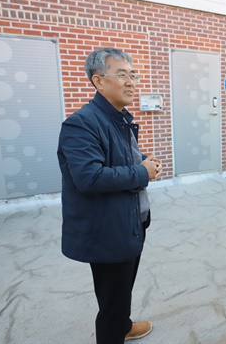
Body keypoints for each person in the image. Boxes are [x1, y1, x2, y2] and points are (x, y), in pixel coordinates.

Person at [57, 47, 162, 343]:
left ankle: (123, 325)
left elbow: (116, 159)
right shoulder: (81, 124)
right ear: (98, 81)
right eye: (122, 75)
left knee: (122, 288)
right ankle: (113, 331)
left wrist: (144, 162)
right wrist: (142, 172)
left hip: (129, 222)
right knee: (112, 297)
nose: (131, 81)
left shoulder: (119, 118)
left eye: (133, 74)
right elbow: (89, 177)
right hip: (107, 229)